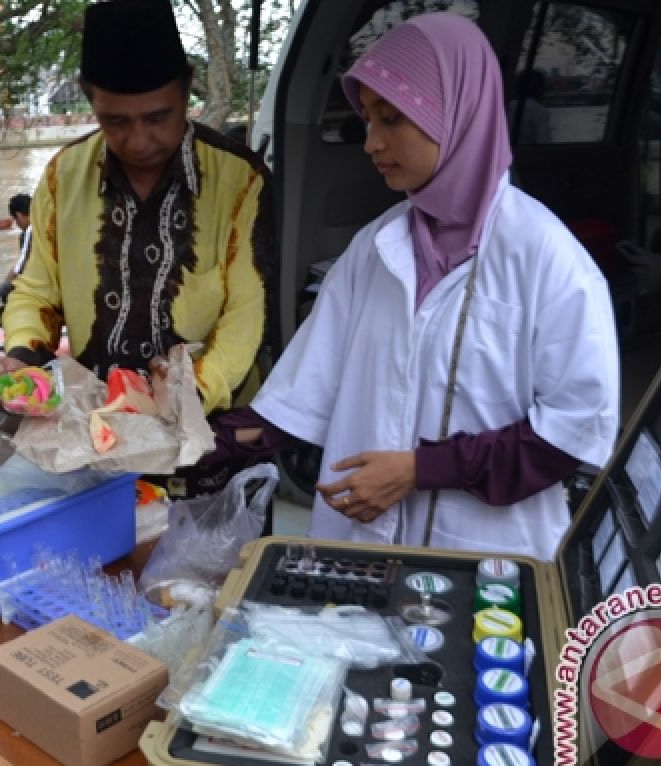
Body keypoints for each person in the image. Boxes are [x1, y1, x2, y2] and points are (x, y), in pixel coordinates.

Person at [249, 14, 619, 560]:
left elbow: (570, 435)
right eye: (367, 120)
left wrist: (419, 470)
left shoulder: (547, 259)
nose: (371, 143)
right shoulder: (374, 248)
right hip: (358, 553)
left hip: (484, 562)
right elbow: (303, 393)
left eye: (392, 118)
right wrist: (186, 440)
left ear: (457, 113)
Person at [0, 0, 277, 499]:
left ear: (187, 88)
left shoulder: (240, 180)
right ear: (90, 99)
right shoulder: (63, 176)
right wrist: (21, 356)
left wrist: (185, 390)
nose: (139, 139)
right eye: (115, 121)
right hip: (97, 437)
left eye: (158, 117)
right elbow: (37, 289)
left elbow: (245, 314)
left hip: (209, 440)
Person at [0, 192, 32, 304]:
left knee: (4, 290)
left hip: (40, 283)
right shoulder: (45, 223)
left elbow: (20, 267)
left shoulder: (29, 231)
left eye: (16, 220)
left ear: (18, 216)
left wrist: (8, 280)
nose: (17, 224)